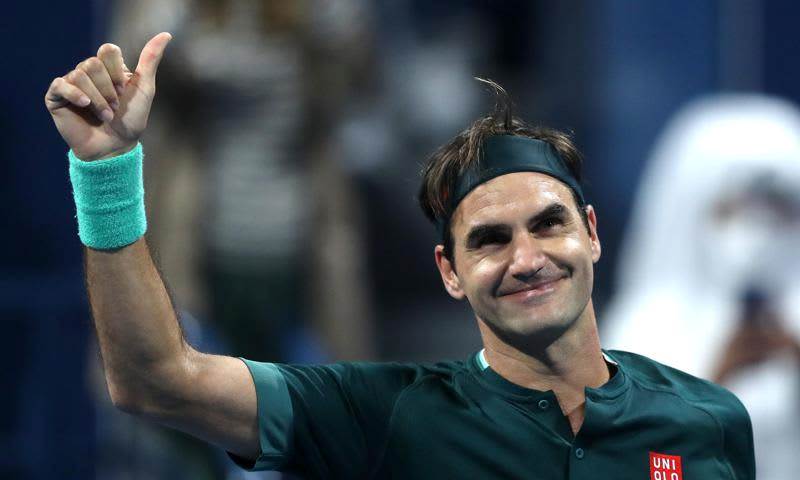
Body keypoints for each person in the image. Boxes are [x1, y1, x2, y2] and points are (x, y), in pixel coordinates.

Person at [45, 34, 754, 478]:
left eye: (549, 225)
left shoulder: (710, 421)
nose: (526, 258)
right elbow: (156, 381)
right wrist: (107, 171)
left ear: (591, 233)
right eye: (490, 239)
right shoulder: (387, 414)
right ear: (450, 272)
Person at [602, 94, 800, 480]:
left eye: (778, 209)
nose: (759, 232)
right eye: (735, 209)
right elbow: (629, 458)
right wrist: (715, 382)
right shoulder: (643, 332)